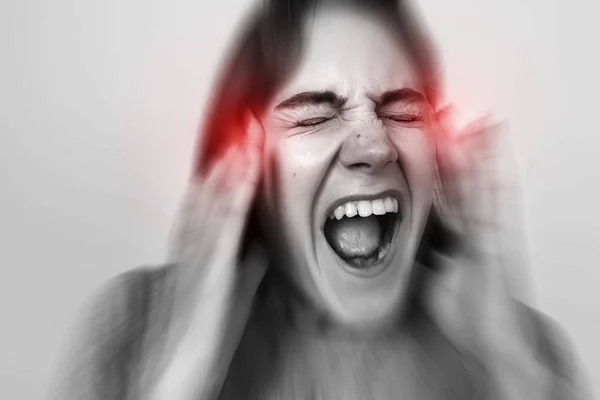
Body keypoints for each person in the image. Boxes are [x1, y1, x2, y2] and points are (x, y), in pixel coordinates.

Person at [53, 0, 589, 399]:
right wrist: (183, 370)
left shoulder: (524, 348)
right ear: (247, 161)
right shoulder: (130, 324)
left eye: (403, 111)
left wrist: (513, 364)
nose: (374, 146)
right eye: (314, 114)